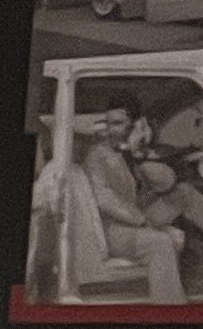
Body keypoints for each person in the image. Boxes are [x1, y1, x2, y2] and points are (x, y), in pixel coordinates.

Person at [45, 117, 187, 303]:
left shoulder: (113, 157)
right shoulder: (94, 158)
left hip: (120, 224)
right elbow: (105, 200)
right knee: (159, 242)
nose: (81, 145)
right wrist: (142, 221)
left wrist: (140, 158)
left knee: (176, 215)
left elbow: (160, 184)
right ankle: (169, 307)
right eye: (77, 139)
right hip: (107, 230)